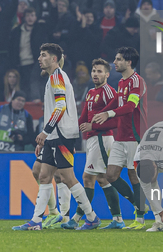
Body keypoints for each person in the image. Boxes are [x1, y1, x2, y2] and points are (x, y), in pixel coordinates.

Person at [13, 43, 101, 231]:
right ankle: (36, 221)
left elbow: (60, 107)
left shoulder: (57, 78)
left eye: (43, 55)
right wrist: (47, 136)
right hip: (56, 135)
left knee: (68, 178)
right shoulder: (54, 77)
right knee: (43, 175)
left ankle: (91, 217)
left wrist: (45, 132)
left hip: (60, 135)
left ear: (54, 59)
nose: (39, 58)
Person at [63, 58, 124, 229]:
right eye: (94, 71)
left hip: (102, 138)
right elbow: (83, 118)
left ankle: (79, 218)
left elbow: (117, 120)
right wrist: (71, 138)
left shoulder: (109, 92)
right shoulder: (90, 92)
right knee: (103, 179)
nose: (95, 74)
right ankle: (117, 220)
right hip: (92, 139)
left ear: (107, 74)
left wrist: (94, 126)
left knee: (88, 178)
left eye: (99, 71)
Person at [92, 47, 149, 230]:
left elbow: (131, 106)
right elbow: (118, 101)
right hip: (121, 135)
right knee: (111, 175)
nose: (114, 63)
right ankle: (139, 205)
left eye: (118, 59)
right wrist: (99, 114)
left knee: (134, 175)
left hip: (135, 134)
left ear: (129, 62)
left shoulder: (136, 81)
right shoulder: (122, 82)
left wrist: (108, 114)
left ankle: (140, 219)